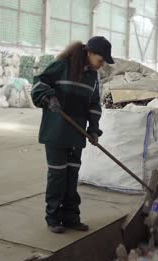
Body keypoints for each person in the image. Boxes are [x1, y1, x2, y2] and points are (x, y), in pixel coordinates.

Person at [31, 36, 114, 233]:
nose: (101, 65)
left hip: (77, 134)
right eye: (100, 60)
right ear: (90, 53)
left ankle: (70, 217)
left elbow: (94, 104)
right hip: (56, 132)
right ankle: (53, 218)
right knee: (58, 176)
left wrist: (93, 129)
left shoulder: (92, 77)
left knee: (71, 175)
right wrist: (49, 97)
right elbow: (39, 83)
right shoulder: (62, 65)